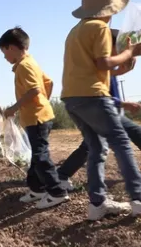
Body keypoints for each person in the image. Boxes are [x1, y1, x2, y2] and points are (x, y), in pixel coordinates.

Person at [60, 0, 141, 220]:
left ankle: (97, 204)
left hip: (73, 99)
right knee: (122, 143)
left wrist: (121, 70)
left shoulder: (76, 30)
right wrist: (130, 51)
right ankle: (138, 197)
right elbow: (103, 63)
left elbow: (95, 69)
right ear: (110, 9)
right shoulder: (100, 28)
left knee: (96, 148)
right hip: (94, 96)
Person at [56, 28, 141, 192]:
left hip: (108, 109)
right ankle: (134, 194)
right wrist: (123, 104)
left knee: (91, 146)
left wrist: (125, 68)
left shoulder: (105, 68)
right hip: (106, 110)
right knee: (126, 137)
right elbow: (99, 95)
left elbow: (110, 78)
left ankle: (64, 176)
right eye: (120, 46)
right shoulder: (99, 65)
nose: (123, 50)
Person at [0, 26, 69, 210]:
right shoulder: (31, 62)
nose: (4, 57)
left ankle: (57, 191)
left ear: (11, 48)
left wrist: (14, 107)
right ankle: (37, 189)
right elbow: (48, 82)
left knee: (40, 155)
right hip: (39, 115)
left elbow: (35, 89)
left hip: (37, 118)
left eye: (4, 52)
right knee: (37, 155)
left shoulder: (24, 66)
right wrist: (43, 101)